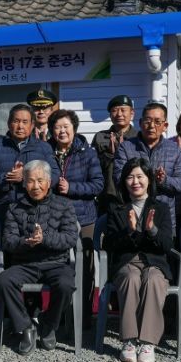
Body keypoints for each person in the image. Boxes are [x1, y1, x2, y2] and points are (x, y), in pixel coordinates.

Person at [0, 160, 79, 355]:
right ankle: (26, 326)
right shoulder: (14, 208)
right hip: (25, 262)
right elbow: (8, 241)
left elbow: (70, 238)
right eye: (31, 181)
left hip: (56, 262)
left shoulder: (64, 204)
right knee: (4, 280)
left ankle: (49, 324)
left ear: (49, 182)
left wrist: (45, 239)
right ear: (24, 183)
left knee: (66, 284)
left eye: (40, 180)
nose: (35, 186)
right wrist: (26, 242)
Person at [106, 158, 173, 362]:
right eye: (130, 177)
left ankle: (147, 342)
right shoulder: (118, 210)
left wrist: (152, 229)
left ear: (149, 180)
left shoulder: (160, 208)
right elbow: (109, 243)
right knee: (131, 277)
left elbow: (166, 245)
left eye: (140, 176)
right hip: (127, 261)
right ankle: (128, 341)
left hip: (154, 262)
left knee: (153, 279)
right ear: (124, 182)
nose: (135, 181)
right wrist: (130, 230)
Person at [48, 109, 103, 327]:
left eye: (66, 126)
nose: (62, 131)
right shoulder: (47, 151)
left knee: (85, 266)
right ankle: (60, 314)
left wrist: (72, 187)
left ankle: (85, 316)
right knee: (58, 266)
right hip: (55, 217)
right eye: (57, 127)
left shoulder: (87, 152)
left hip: (84, 216)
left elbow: (97, 184)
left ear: (74, 128)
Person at [0, 104, 60, 222]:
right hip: (3, 210)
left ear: (32, 125)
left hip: (37, 210)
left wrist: (29, 178)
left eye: (25, 122)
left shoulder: (44, 148)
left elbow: (55, 174)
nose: (20, 126)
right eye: (16, 121)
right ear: (9, 123)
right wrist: (6, 177)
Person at [114, 102, 181, 231]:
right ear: (141, 123)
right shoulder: (126, 147)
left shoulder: (174, 150)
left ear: (165, 126)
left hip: (164, 218)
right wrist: (148, 179)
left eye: (158, 122)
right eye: (147, 121)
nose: (152, 126)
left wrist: (164, 181)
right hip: (132, 216)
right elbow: (119, 178)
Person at [92, 95, 137, 214]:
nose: (119, 114)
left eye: (123, 110)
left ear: (132, 113)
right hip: (106, 195)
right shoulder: (100, 137)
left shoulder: (139, 137)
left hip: (132, 194)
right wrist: (109, 156)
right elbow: (93, 166)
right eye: (114, 110)